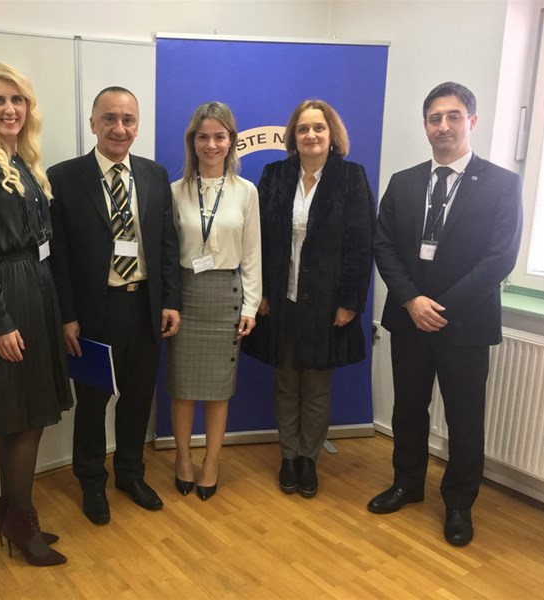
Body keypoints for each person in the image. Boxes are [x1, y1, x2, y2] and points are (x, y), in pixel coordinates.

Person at [368, 82, 522, 546]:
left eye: (454, 116)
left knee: (464, 418)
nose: (444, 126)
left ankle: (458, 504)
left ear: (471, 121)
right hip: (410, 320)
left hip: (465, 325)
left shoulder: (502, 184)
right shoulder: (404, 182)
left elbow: (499, 258)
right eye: (435, 118)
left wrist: (442, 308)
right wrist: (412, 300)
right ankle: (407, 484)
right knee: (408, 409)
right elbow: (383, 245)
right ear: (425, 125)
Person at [0, 63, 72, 566]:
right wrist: (0, 321)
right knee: (21, 417)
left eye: (17, 100)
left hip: (37, 289)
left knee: (30, 414)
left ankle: (9, 511)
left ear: (29, 108)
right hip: (9, 295)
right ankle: (22, 522)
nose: (9, 109)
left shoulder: (22, 162)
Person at [48, 86, 182, 525]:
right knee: (92, 403)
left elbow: (166, 244)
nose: (119, 128)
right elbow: (58, 257)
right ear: (93, 123)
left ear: (137, 126)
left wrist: (170, 301)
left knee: (138, 399)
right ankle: (91, 481)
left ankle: (130, 474)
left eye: (127, 120)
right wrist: (67, 315)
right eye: (109, 118)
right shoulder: (63, 178)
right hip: (93, 313)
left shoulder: (154, 175)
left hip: (144, 306)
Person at [243, 99, 375, 499]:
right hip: (282, 299)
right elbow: (258, 240)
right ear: (293, 136)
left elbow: (361, 244)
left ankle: (308, 458)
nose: (311, 135)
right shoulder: (275, 174)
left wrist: (350, 302)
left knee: (316, 388)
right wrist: (261, 293)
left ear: (332, 134)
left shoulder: (351, 177)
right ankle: (288, 455)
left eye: (319, 127)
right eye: (303, 128)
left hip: (327, 303)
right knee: (286, 384)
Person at [166, 102, 261, 501]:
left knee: (219, 389)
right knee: (183, 387)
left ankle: (211, 461)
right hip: (186, 297)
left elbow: (252, 254)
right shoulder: (175, 190)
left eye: (219, 137)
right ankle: (183, 458)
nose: (211, 145)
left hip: (226, 297)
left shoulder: (246, 191)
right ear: (193, 141)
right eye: (203, 137)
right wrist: (169, 302)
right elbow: (167, 254)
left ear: (231, 140)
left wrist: (250, 307)